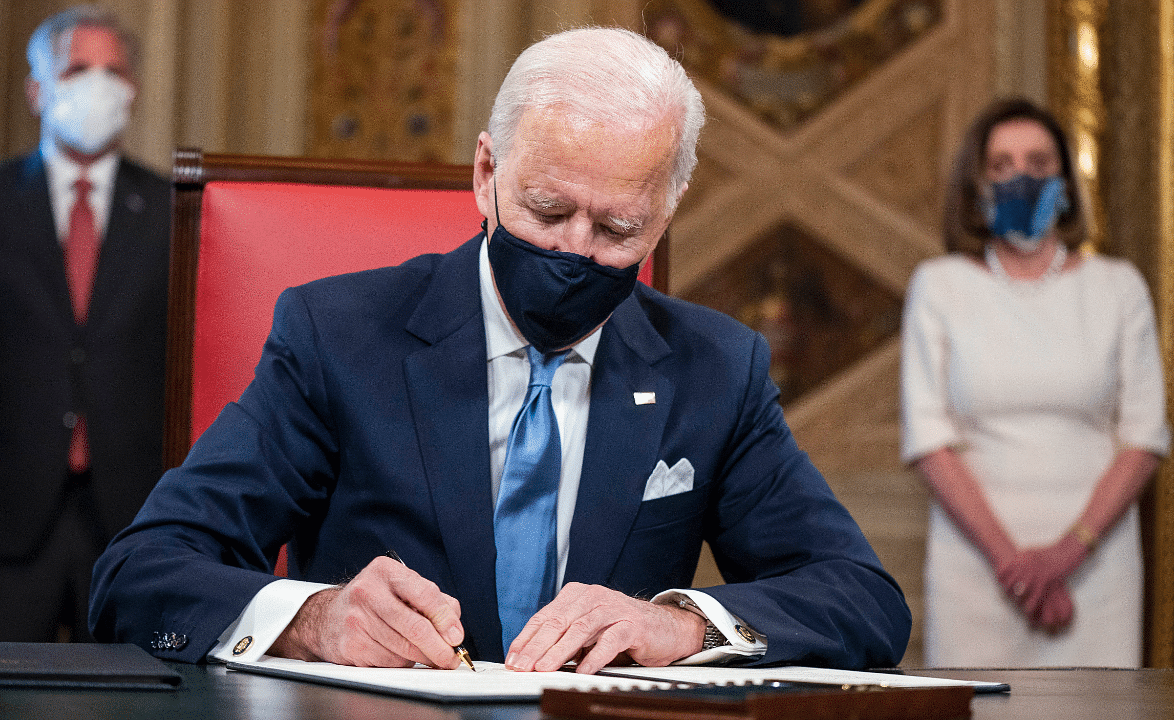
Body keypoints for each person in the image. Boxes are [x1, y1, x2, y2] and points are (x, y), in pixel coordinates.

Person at [90, 27, 910, 673]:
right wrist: (314, 619)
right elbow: (141, 572)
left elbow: (862, 600)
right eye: (547, 211)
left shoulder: (715, 370)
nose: (575, 252)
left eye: (618, 228)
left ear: (667, 211)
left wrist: (681, 623)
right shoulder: (338, 336)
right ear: (486, 172)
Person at [0, 5, 170, 642]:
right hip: (1, 524)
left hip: (135, 525)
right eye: (78, 69)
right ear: (36, 90)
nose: (99, 85)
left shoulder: (170, 212)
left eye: (113, 71)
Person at [900, 97, 1170, 667]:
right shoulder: (940, 285)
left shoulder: (1119, 287)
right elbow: (928, 440)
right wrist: (1014, 565)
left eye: (1038, 163)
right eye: (1001, 166)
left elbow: (1144, 438)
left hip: (1096, 569)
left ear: (1066, 180)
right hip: (976, 570)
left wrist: (1066, 556)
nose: (1021, 178)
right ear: (976, 184)